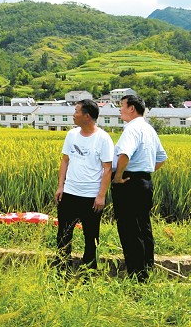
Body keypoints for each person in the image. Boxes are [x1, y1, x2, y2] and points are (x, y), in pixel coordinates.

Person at [111, 94, 168, 282]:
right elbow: (161, 158)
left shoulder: (131, 129)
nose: (120, 110)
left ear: (132, 108)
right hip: (144, 182)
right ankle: (147, 269)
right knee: (143, 226)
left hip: (129, 182)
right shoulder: (149, 129)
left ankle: (137, 275)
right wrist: (146, 171)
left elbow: (124, 154)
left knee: (129, 229)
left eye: (122, 106)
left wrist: (118, 177)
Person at [54, 99, 114, 271]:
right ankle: (61, 269)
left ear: (87, 116)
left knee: (91, 237)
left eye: (76, 111)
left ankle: (89, 271)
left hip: (91, 197)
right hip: (70, 193)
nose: (73, 114)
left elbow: (107, 169)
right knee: (63, 234)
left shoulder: (103, 138)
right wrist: (61, 187)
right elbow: (65, 161)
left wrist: (101, 195)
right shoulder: (71, 135)